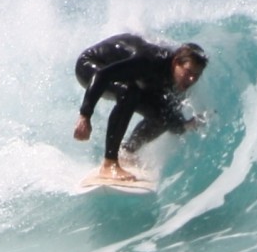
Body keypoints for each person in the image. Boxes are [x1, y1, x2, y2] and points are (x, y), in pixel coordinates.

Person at [73, 33, 209, 181]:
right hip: (91, 67)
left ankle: (127, 152)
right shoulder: (150, 60)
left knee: (165, 114)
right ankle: (109, 164)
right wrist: (85, 116)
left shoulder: (178, 79)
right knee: (130, 93)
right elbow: (102, 76)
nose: (191, 79)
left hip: (121, 76)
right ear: (176, 62)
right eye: (188, 72)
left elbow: (168, 116)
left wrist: (182, 125)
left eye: (196, 75)